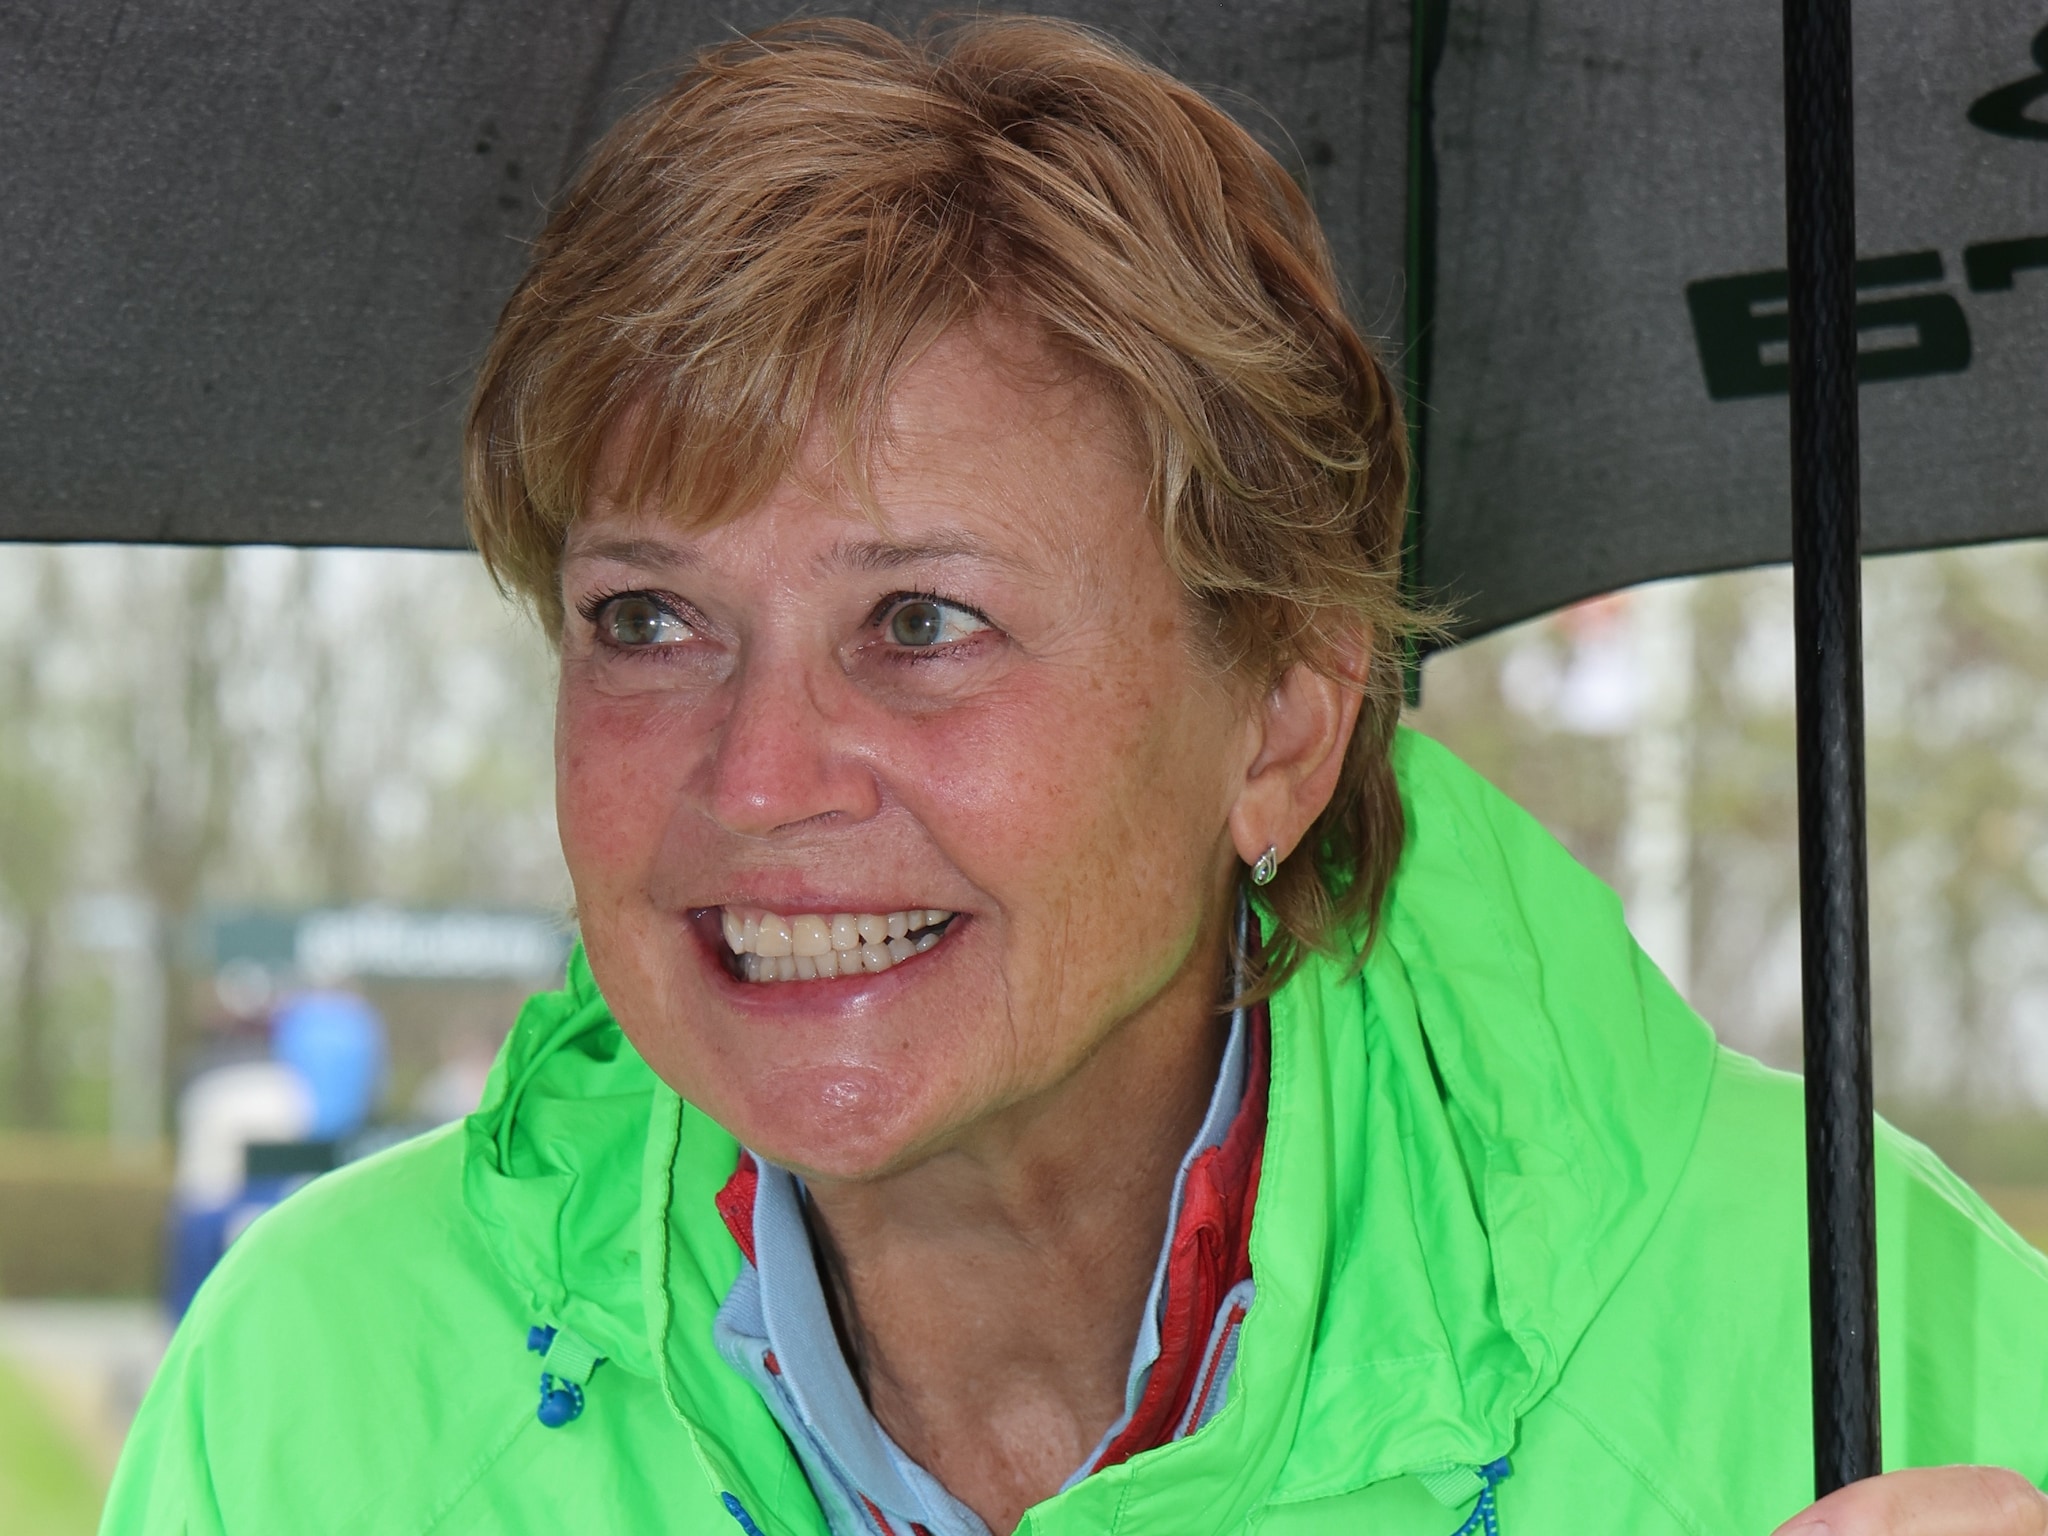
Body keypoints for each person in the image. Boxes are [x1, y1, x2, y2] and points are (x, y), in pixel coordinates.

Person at [102, 18, 2048, 1536]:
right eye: (647, 618)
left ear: (1281, 724)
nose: (757, 781)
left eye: (921, 620)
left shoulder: (1874, 1348)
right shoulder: (323, 1394)